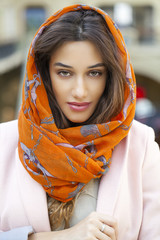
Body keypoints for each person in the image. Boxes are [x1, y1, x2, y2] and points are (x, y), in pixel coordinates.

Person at [0, 4, 160, 240]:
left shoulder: (141, 146)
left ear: (111, 75)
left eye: (94, 73)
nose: (80, 91)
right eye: (64, 73)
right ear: (44, 73)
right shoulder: (4, 142)